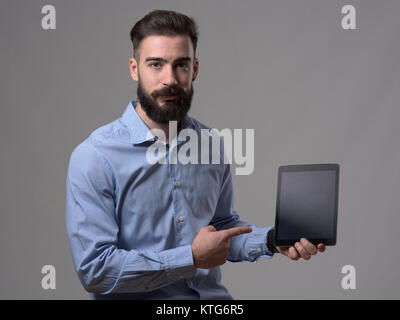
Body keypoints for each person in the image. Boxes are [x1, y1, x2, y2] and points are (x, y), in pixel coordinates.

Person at [65, 9, 326, 300]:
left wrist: (270, 240)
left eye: (181, 65)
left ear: (195, 69)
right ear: (134, 69)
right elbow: (96, 270)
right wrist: (189, 257)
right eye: (155, 65)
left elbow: (222, 226)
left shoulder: (211, 144)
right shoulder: (94, 157)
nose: (170, 79)